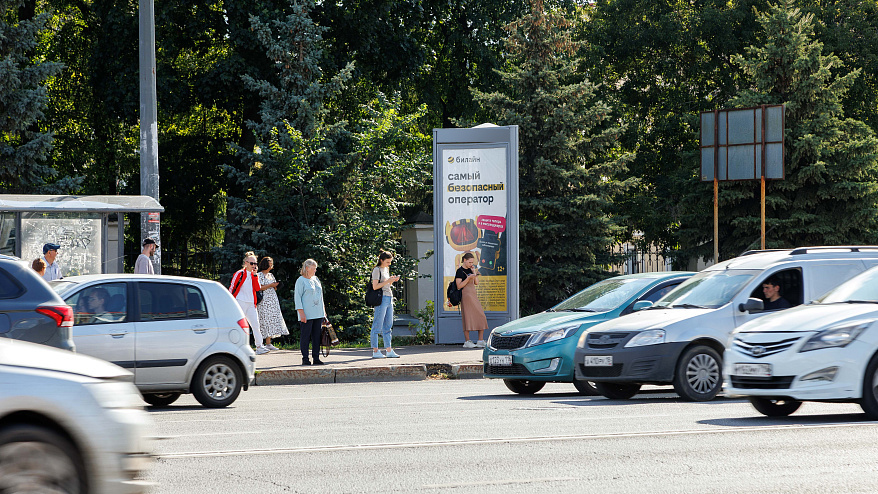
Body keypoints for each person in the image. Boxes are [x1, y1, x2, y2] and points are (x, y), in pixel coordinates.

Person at [230, 252, 269, 355]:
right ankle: (237, 347)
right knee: (239, 325)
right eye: (252, 263)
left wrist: (255, 275)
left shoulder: (254, 275)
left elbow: (257, 288)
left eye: (255, 263)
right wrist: (230, 301)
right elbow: (232, 287)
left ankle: (259, 346)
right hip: (240, 302)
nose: (254, 266)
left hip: (251, 303)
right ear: (246, 263)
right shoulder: (239, 273)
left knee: (256, 325)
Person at [295, 259, 327, 366]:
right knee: (305, 336)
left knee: (317, 336)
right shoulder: (300, 280)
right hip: (306, 314)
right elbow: (297, 297)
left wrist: (324, 311)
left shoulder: (316, 279)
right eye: (313, 268)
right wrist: (301, 313)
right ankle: (305, 358)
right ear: (307, 268)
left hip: (318, 313)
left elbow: (321, 296)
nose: (315, 270)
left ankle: (316, 358)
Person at [370, 251, 401, 359]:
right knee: (377, 325)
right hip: (381, 299)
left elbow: (386, 284)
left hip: (389, 297)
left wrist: (392, 280)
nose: (389, 264)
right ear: (381, 260)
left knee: (388, 325)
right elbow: (375, 286)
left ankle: (389, 350)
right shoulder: (377, 270)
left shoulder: (386, 269)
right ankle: (375, 351)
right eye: (387, 262)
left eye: (390, 262)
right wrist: (388, 281)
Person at [456, 252, 488, 348]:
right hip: (465, 296)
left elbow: (476, 283)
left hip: (473, 295)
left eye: (472, 262)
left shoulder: (471, 269)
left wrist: (474, 273)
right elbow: (459, 286)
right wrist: (468, 278)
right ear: (464, 260)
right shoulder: (459, 271)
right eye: (469, 262)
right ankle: (467, 341)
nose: (471, 264)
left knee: (481, 316)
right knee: (467, 317)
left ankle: (480, 340)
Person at [257, 257, 289, 350]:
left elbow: (273, 288)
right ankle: (261, 343)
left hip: (272, 300)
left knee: (271, 320)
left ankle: (269, 343)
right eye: (270, 264)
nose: (272, 266)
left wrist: (276, 286)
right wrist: (271, 285)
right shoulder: (259, 275)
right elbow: (259, 287)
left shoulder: (271, 275)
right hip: (264, 301)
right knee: (264, 320)